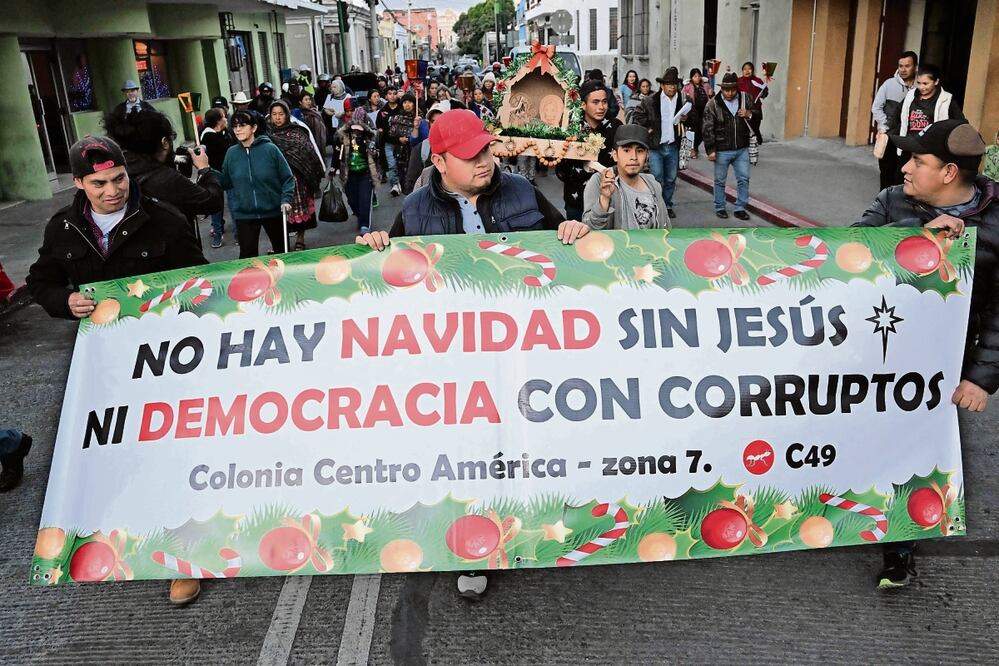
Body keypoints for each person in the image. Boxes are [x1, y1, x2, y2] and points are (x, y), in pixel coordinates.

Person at [27, 136, 207, 606]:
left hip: (168, 363)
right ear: (79, 183)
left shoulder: (164, 219)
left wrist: (174, 307)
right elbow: (41, 281)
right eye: (100, 183)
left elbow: (203, 285)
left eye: (120, 178)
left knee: (172, 457)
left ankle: (182, 557)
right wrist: (64, 302)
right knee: (116, 458)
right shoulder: (63, 229)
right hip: (104, 367)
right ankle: (119, 540)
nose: (113, 190)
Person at [853, 119, 998, 588]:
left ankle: (899, 549)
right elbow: (849, 256)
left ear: (950, 172)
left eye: (919, 160)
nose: (905, 166)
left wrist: (982, 376)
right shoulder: (893, 200)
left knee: (916, 452)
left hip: (943, 365)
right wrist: (917, 237)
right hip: (875, 350)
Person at [104, 108, 223, 245]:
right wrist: (204, 169)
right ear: (164, 142)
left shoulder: (116, 175)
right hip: (175, 255)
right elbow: (212, 202)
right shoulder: (166, 179)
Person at [213, 110, 295, 258]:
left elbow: (288, 178)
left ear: (254, 128)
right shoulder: (231, 154)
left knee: (283, 255)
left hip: (274, 210)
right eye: (235, 126)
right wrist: (206, 170)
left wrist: (286, 199)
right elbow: (225, 182)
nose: (238, 129)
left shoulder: (270, 149)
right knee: (247, 258)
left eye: (243, 125)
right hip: (245, 214)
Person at [583, 124, 671, 231]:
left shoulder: (654, 185)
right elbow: (590, 228)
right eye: (626, 150)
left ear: (647, 156)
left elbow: (666, 228)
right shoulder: (600, 181)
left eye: (640, 151)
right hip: (618, 247)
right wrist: (604, 199)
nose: (633, 157)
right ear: (615, 155)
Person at [556, 80, 622, 222]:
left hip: (609, 201)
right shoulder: (570, 129)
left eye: (604, 102)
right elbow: (560, 169)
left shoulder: (616, 127)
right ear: (583, 105)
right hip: (576, 202)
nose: (601, 107)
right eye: (596, 102)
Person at [267, 100, 324, 251]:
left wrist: (303, 170)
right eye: (274, 114)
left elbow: (308, 153)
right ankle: (279, 243)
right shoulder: (266, 135)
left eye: (281, 114)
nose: (277, 118)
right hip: (275, 180)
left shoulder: (297, 132)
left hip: (297, 179)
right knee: (277, 213)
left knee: (300, 209)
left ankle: (300, 238)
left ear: (287, 115)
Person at [895, 64, 965, 185]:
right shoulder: (910, 96)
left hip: (930, 149)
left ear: (936, 81)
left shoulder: (946, 100)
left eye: (925, 83)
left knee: (923, 183)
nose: (921, 87)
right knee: (902, 180)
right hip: (909, 146)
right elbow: (897, 115)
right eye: (919, 83)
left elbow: (961, 122)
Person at [633, 67, 688, 219]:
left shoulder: (683, 100)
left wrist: (686, 119)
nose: (672, 87)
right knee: (656, 178)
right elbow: (637, 114)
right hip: (656, 146)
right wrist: (648, 128)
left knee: (671, 178)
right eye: (669, 84)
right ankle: (655, 205)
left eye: (674, 84)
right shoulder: (651, 100)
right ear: (662, 85)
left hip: (673, 145)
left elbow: (694, 117)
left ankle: (667, 205)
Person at [702, 72, 754, 220]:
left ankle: (740, 207)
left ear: (736, 88)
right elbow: (707, 128)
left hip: (741, 148)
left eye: (732, 89)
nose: (730, 93)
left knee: (744, 178)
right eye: (726, 90)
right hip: (722, 149)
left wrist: (749, 113)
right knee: (719, 180)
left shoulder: (746, 99)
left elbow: (758, 116)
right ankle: (720, 206)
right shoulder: (713, 103)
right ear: (722, 89)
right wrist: (710, 149)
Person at [872, 51, 918, 191]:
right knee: (886, 173)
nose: (903, 69)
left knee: (903, 174)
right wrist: (885, 126)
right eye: (900, 66)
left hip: (909, 139)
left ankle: (898, 203)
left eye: (907, 66)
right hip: (889, 137)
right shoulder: (889, 84)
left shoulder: (920, 87)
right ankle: (883, 203)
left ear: (915, 67)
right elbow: (876, 108)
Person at [333, 108, 380, 234]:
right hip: (349, 174)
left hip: (366, 174)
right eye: (354, 127)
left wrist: (368, 146)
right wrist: (333, 169)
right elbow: (337, 153)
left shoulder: (370, 137)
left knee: (365, 200)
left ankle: (365, 225)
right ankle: (360, 215)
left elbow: (377, 156)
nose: (356, 131)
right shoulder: (342, 136)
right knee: (352, 201)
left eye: (359, 128)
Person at [200, 108, 235, 248]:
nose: (226, 119)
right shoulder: (209, 136)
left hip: (229, 172)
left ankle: (238, 234)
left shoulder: (225, 133)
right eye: (224, 117)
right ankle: (217, 233)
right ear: (218, 121)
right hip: (214, 174)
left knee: (234, 203)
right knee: (216, 206)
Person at [388, 93, 420, 195]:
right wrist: (399, 139)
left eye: (410, 102)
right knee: (404, 181)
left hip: (416, 153)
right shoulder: (397, 118)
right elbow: (390, 135)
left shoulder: (419, 118)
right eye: (405, 102)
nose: (407, 105)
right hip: (401, 154)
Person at [682, 68, 714, 160]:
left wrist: (711, 93)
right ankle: (692, 149)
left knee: (702, 132)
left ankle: (695, 146)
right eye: (695, 76)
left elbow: (711, 96)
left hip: (704, 112)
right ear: (691, 77)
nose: (697, 78)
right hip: (692, 113)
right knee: (692, 131)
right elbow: (683, 97)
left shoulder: (706, 85)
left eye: (698, 76)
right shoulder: (687, 86)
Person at [378, 87, 403, 193]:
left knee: (401, 164)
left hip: (401, 143)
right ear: (386, 96)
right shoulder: (383, 111)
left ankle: (402, 183)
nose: (392, 96)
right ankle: (394, 185)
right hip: (388, 143)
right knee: (391, 164)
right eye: (390, 94)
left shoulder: (402, 109)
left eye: (394, 93)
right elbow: (379, 127)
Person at [738, 62, 768, 144]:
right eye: (745, 69)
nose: (747, 71)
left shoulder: (758, 81)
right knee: (743, 131)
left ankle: (756, 144)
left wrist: (763, 92)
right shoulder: (738, 81)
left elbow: (764, 94)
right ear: (742, 71)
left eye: (749, 69)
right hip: (743, 109)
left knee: (754, 129)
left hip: (755, 110)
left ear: (753, 70)